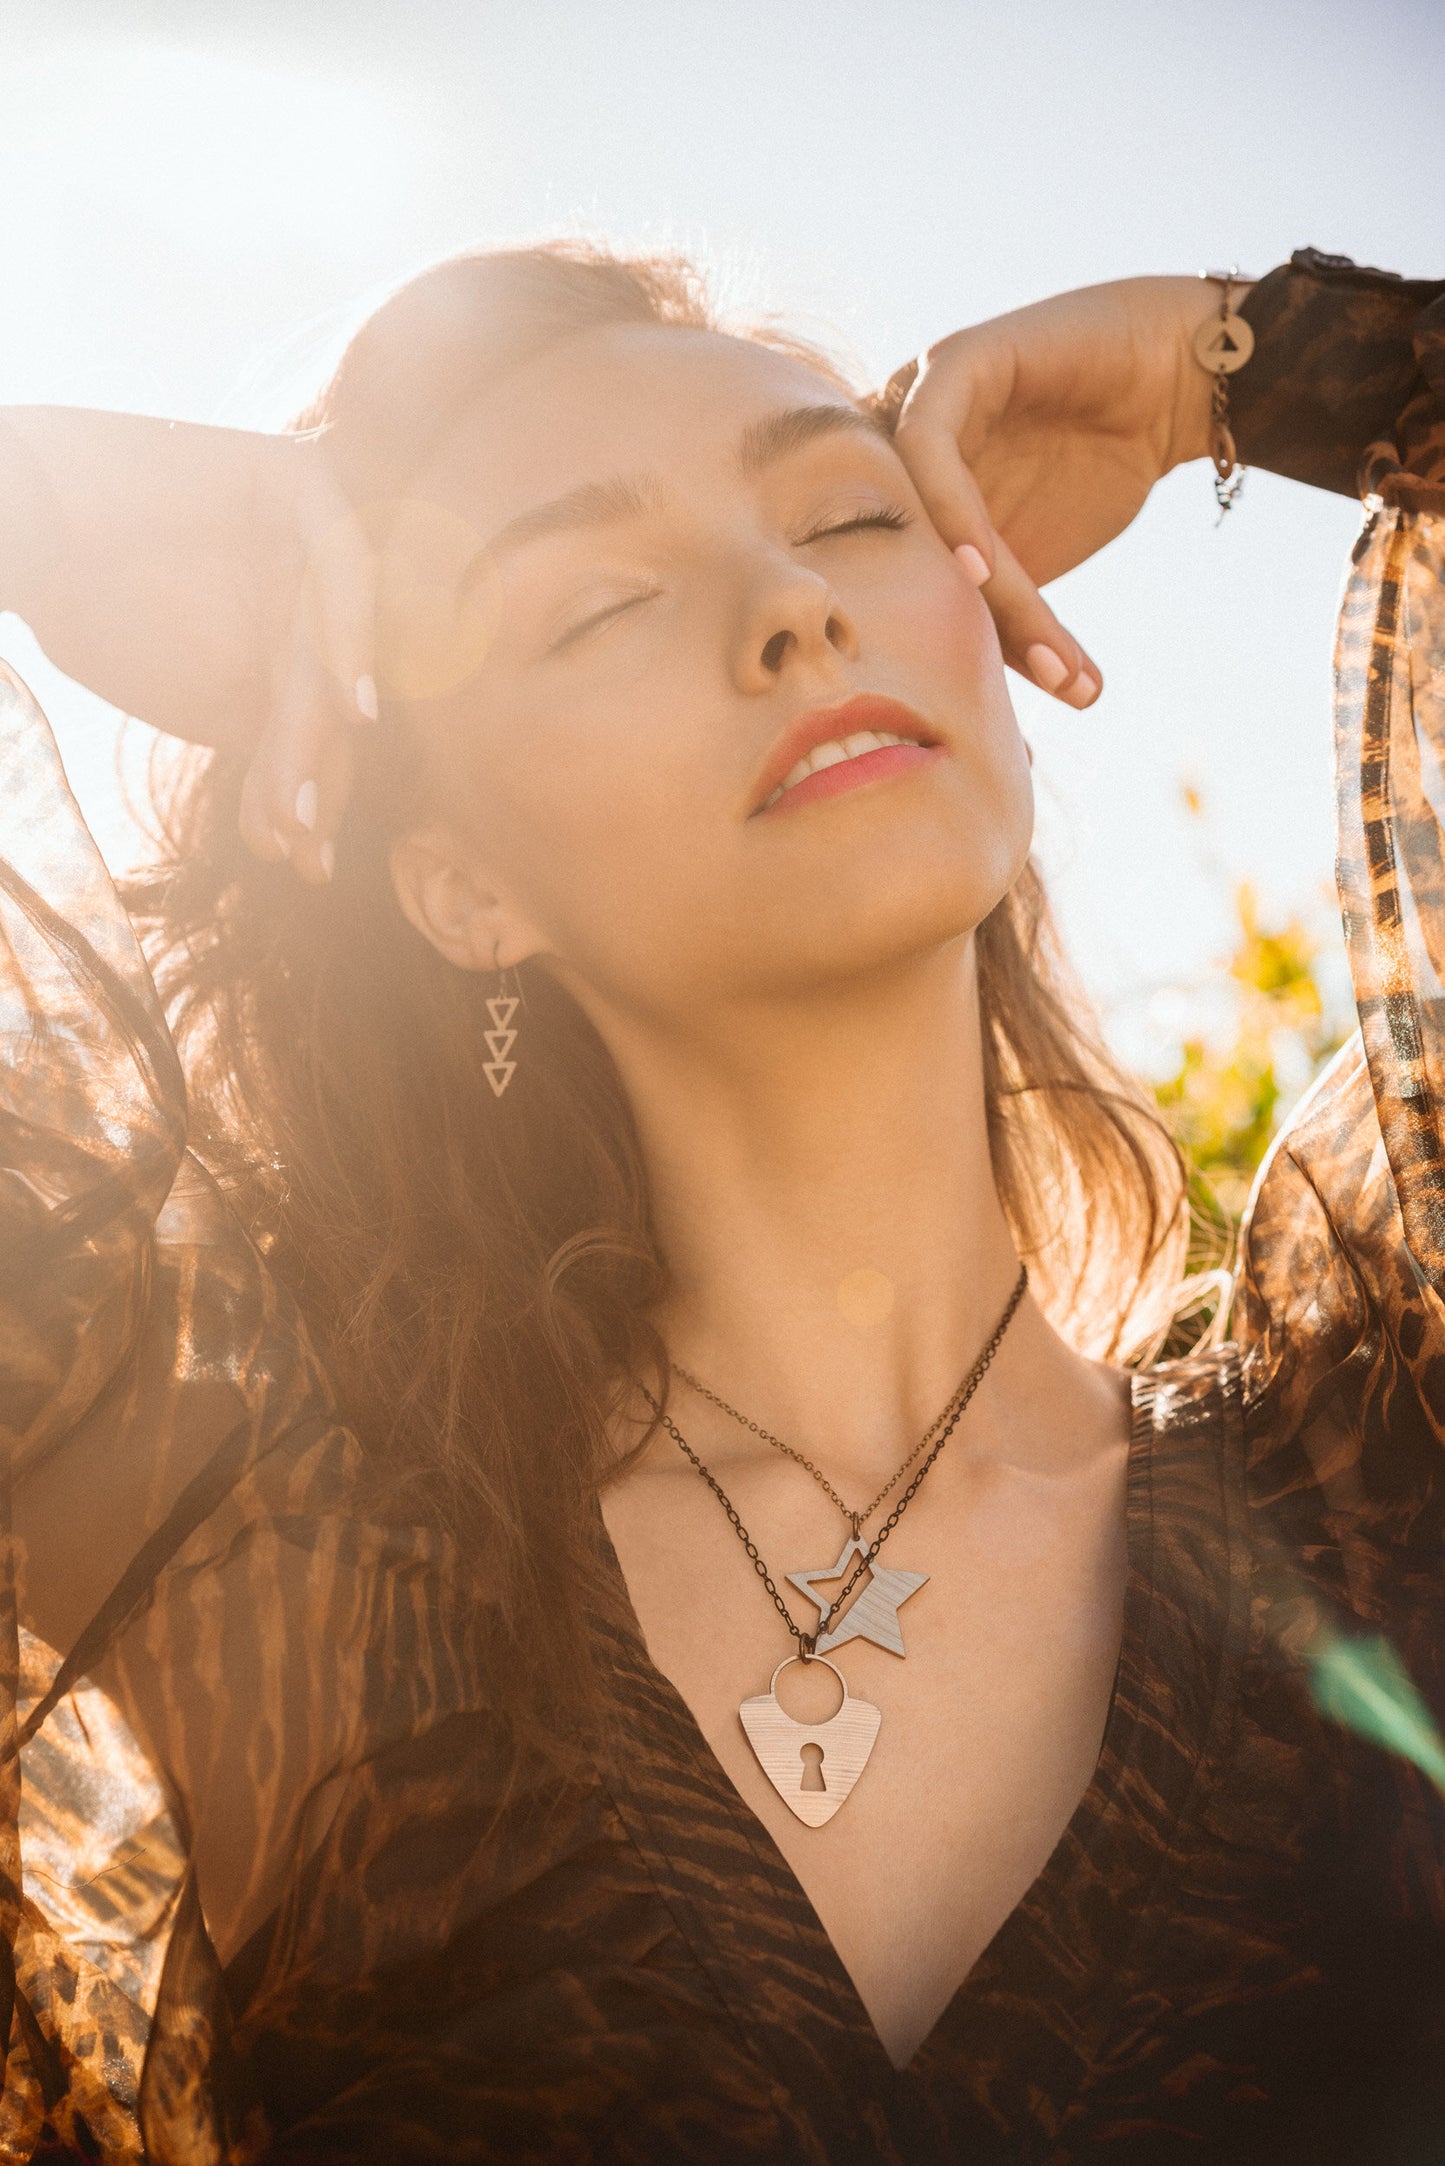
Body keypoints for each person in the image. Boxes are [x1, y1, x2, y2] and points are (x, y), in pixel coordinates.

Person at [0, 239, 1442, 2163]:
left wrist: (1244, 365)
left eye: (850, 512)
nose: (782, 609)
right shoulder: (267, 1575)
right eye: (596, 605)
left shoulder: (1390, 1451)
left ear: (988, 620)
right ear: (456, 883)